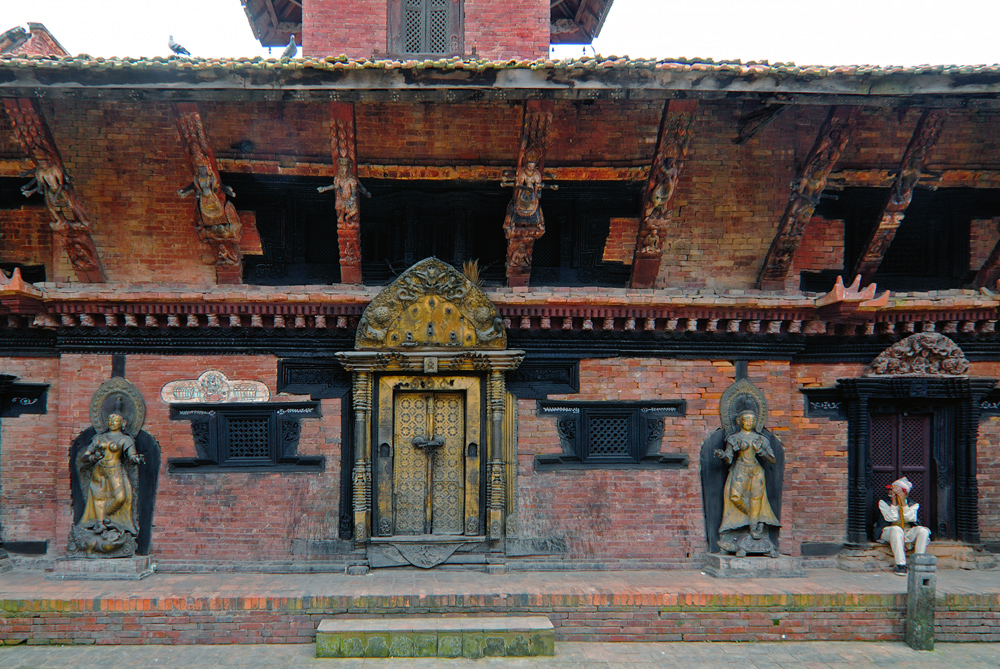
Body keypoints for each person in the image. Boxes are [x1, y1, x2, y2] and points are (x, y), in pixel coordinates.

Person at [714, 410, 780, 542]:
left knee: (756, 499)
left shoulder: (761, 439)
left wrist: (760, 450)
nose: (749, 422)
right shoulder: (734, 438)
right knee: (735, 496)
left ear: (756, 422)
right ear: (739, 421)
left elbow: (773, 460)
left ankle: (753, 528)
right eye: (746, 419)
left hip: (756, 470)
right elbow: (729, 459)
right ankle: (755, 517)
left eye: (752, 420)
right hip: (740, 467)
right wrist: (722, 456)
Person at [79, 413, 143, 536]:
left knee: (120, 498)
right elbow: (84, 457)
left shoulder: (126, 439)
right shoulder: (99, 438)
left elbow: (131, 456)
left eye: (116, 420)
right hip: (100, 469)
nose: (112, 422)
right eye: (110, 419)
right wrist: (93, 457)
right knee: (99, 497)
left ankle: (107, 516)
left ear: (123, 423)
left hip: (115, 469)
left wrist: (137, 459)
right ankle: (99, 523)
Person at [876, 476, 931, 575]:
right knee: (896, 530)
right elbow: (891, 518)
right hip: (889, 530)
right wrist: (894, 503)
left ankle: (918, 562)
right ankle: (901, 565)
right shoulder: (883, 502)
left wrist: (903, 503)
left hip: (906, 530)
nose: (891, 492)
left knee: (923, 531)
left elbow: (910, 518)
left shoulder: (913, 504)